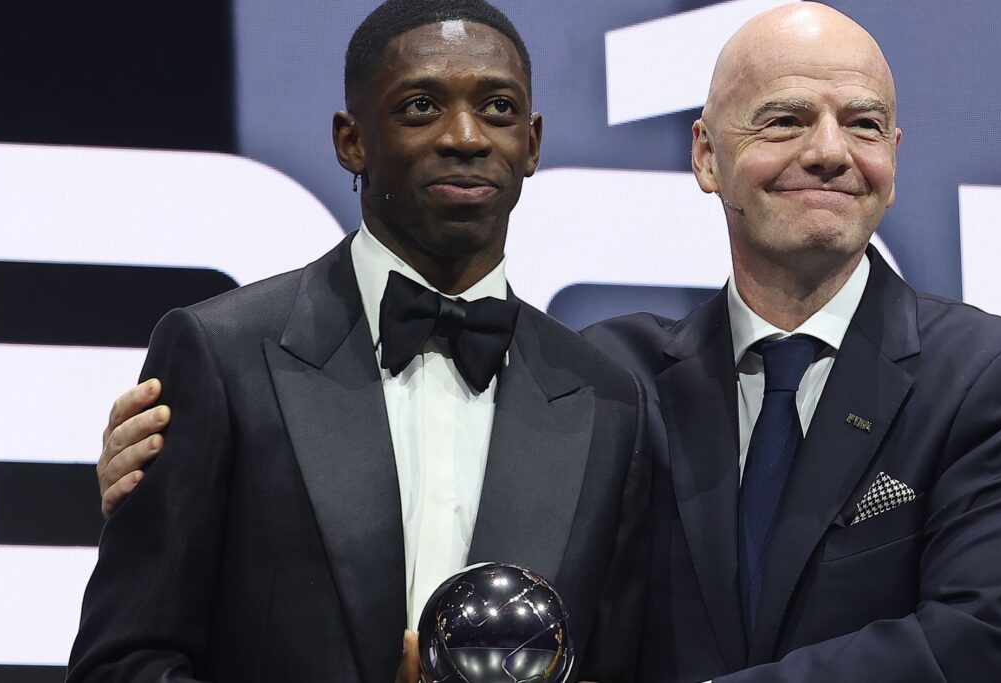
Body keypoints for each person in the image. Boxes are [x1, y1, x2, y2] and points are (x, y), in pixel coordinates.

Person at [98, 3, 1001, 681]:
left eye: (862, 123)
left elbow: (982, 638)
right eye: (783, 119)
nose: (826, 150)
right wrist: (181, 479)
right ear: (706, 155)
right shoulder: (618, 378)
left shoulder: (988, 376)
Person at [68, 2, 647, 682]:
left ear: (533, 142)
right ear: (352, 141)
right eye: (421, 107)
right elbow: (122, 663)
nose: (466, 136)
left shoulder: (606, 402)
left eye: (498, 108)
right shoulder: (221, 355)